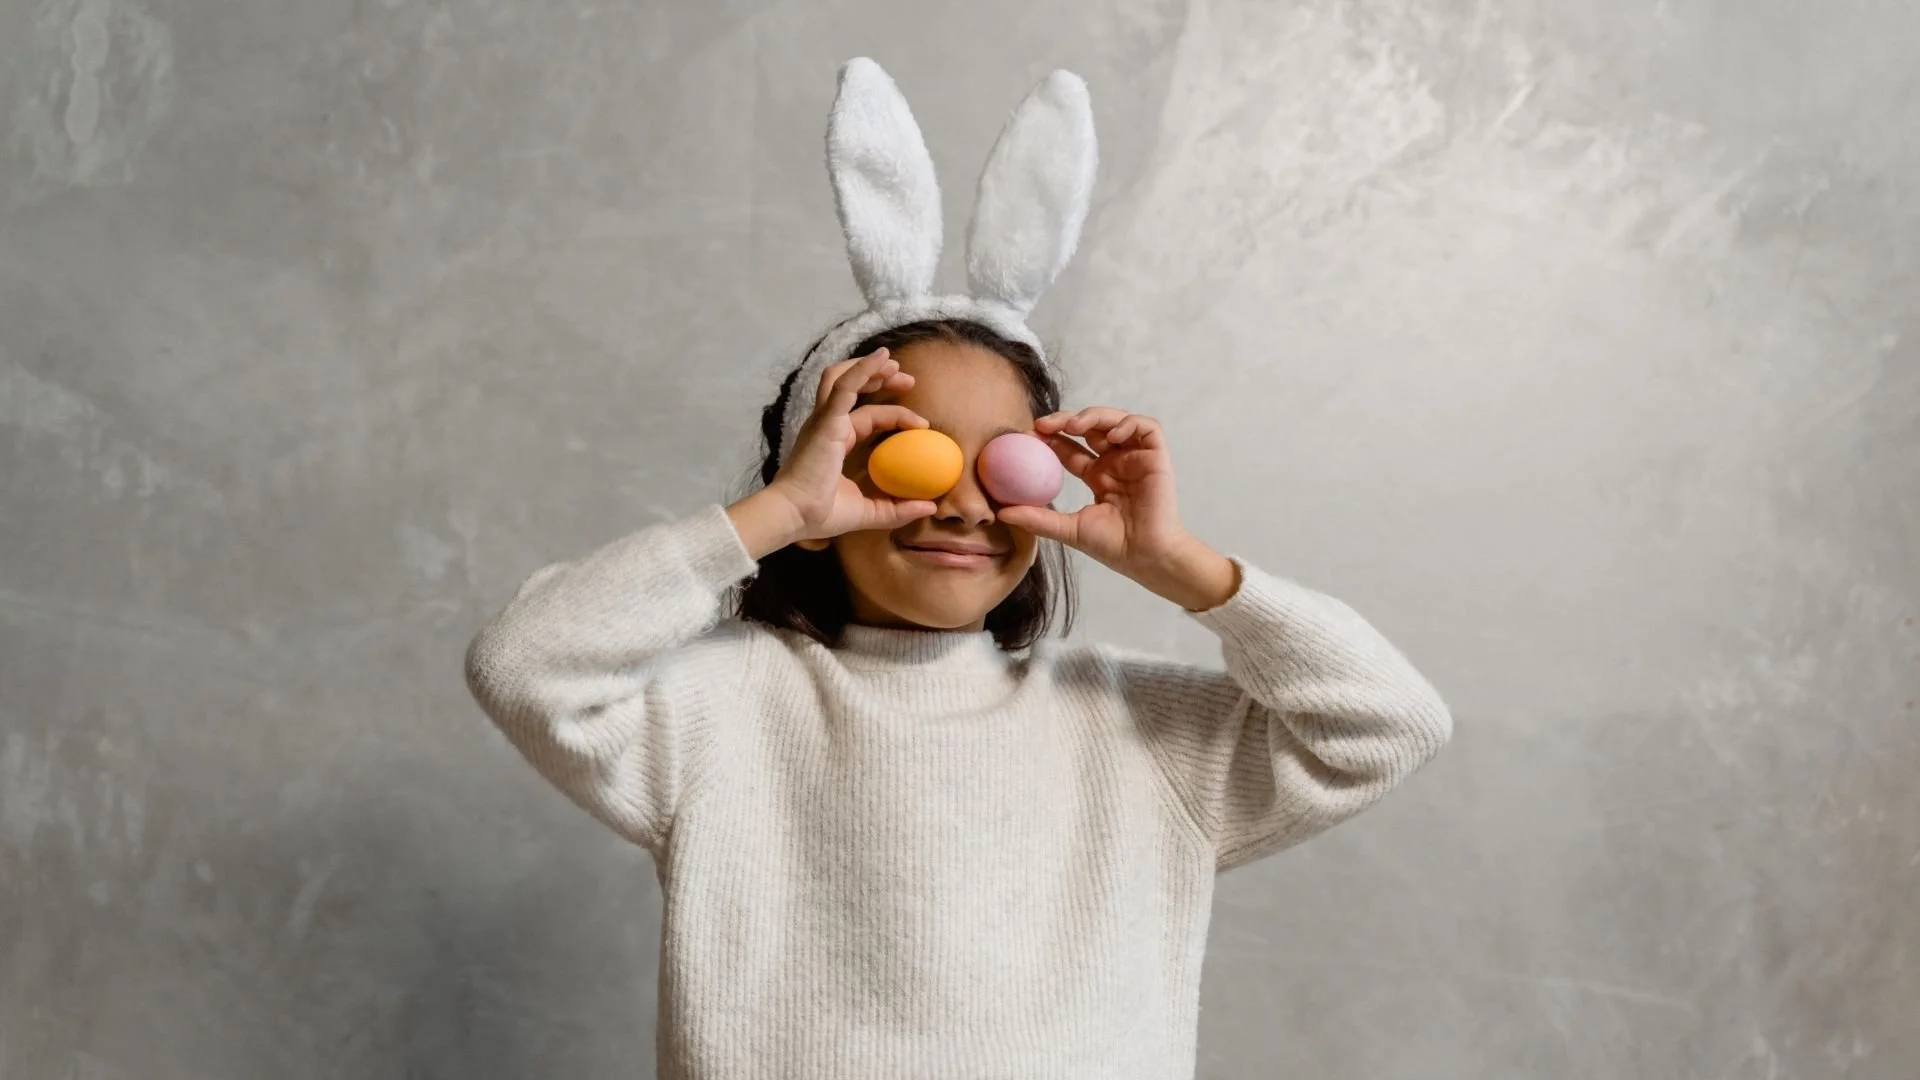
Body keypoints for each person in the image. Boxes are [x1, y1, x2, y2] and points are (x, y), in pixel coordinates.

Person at [463, 58, 1451, 1079]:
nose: (964, 503)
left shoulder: (1135, 732)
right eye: (909, 455)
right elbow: (526, 663)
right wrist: (768, 517)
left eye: (1003, 465)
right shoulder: (725, 711)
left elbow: (1387, 723)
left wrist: (1180, 565)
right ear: (821, 481)